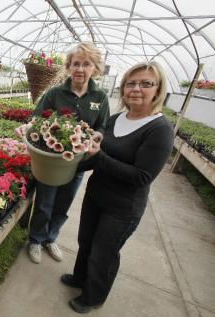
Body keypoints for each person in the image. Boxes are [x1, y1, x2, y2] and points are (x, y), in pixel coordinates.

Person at [61, 61, 174, 313]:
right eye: (131, 83)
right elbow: (95, 157)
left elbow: (142, 176)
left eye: (146, 84)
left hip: (122, 208)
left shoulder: (160, 129)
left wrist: (98, 156)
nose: (136, 88)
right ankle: (80, 278)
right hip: (96, 195)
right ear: (123, 89)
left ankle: (93, 297)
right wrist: (67, 166)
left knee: (104, 253)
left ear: (158, 90)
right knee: (85, 242)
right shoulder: (116, 119)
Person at [17, 42, 110, 264]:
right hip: (51, 161)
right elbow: (37, 119)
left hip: (78, 162)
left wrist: (96, 136)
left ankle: (51, 238)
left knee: (64, 203)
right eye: (75, 63)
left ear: (95, 68)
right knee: (45, 202)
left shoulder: (100, 98)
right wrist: (31, 128)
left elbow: (102, 126)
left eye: (86, 64)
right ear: (68, 67)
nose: (80, 69)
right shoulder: (55, 93)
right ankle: (36, 240)